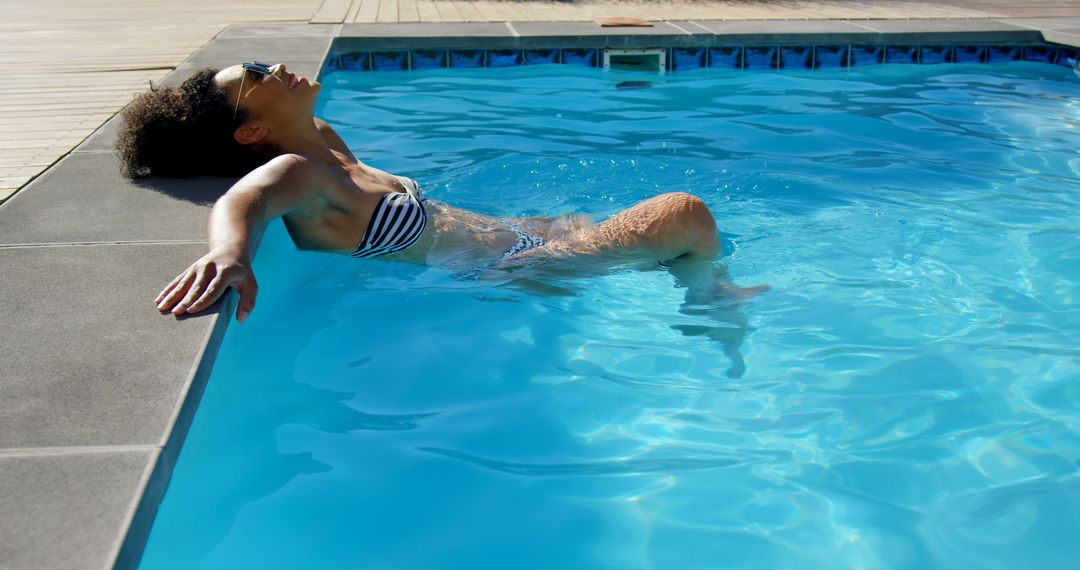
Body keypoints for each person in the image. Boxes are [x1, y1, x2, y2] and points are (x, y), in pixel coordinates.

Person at [120, 62, 758, 329]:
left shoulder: (324, 141)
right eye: (255, 78)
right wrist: (230, 253)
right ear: (252, 130)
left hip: (515, 237)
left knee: (665, 229)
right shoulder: (299, 170)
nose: (275, 68)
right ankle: (709, 305)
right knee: (687, 211)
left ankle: (701, 287)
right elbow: (246, 198)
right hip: (506, 269)